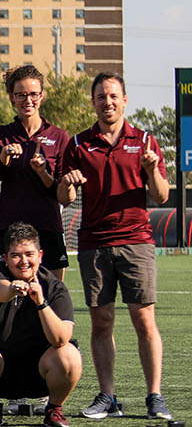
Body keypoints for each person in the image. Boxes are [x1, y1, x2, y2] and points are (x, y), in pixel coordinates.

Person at [58, 72, 174, 421]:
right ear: (92, 102)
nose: (107, 102)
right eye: (100, 97)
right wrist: (68, 181)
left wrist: (151, 170)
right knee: (101, 322)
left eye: (113, 96)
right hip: (94, 244)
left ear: (125, 100)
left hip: (136, 241)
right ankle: (108, 397)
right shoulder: (79, 143)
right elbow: (65, 198)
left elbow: (162, 194)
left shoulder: (145, 141)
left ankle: (154, 396)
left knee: (144, 320)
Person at [0, 223, 82, 427]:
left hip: (40, 373)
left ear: (40, 255)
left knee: (69, 354)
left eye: (29, 254)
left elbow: (60, 338)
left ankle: (54, 409)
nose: (23, 261)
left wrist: (41, 303)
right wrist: (11, 290)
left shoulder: (55, 287)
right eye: (16, 255)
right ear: (6, 257)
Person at [0, 65, 71, 283]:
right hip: (9, 228)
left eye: (33, 94)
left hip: (47, 227)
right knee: (8, 300)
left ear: (42, 95)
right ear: (11, 98)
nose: (28, 100)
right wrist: (4, 157)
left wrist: (42, 172)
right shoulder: (2, 134)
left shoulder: (59, 137)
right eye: (21, 95)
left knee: (51, 298)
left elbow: (61, 192)